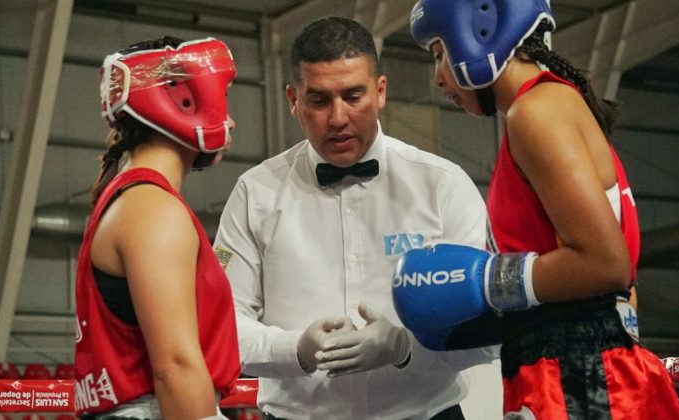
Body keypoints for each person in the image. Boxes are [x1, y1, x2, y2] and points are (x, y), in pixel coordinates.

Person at [394, 0, 679, 418]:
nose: (438, 78)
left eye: (439, 54)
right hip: (577, 371)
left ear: (480, 32)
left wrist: (485, 281)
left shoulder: (537, 111)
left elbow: (607, 265)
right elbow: (615, 296)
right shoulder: (545, 108)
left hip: (579, 378)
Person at [213, 16, 498, 420]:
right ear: (293, 99)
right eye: (319, 100)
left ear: (380, 91)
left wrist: (404, 347)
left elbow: (485, 331)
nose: (338, 117)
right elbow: (222, 329)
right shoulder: (255, 193)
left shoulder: (442, 186)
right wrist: (295, 349)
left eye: (353, 96)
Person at [74, 36, 241, 419]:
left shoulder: (133, 198)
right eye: (224, 98)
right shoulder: (153, 209)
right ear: (185, 101)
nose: (230, 120)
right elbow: (176, 365)